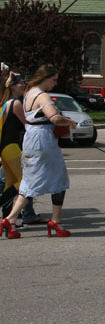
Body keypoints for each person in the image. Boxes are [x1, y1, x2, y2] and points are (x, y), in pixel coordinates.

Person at [1, 65, 77, 239]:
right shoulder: (42, 95)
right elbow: (54, 118)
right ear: (45, 78)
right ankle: (55, 221)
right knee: (59, 178)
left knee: (29, 182)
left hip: (32, 139)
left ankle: (10, 220)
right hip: (43, 141)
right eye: (54, 79)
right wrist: (70, 122)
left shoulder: (29, 93)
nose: (55, 83)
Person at [0, 71, 46, 226]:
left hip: (5, 148)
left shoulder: (5, 103)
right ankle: (10, 216)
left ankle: (7, 222)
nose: (23, 85)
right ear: (12, 86)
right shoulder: (16, 103)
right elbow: (28, 125)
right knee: (25, 183)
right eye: (20, 83)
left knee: (11, 182)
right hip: (12, 147)